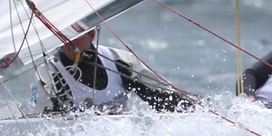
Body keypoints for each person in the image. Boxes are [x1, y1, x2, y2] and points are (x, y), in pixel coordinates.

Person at [34, 25, 193, 114]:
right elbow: (45, 122)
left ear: (91, 35)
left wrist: (200, 111)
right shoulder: (48, 73)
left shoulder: (120, 60)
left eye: (76, 36)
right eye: (62, 36)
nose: (69, 42)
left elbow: (165, 98)